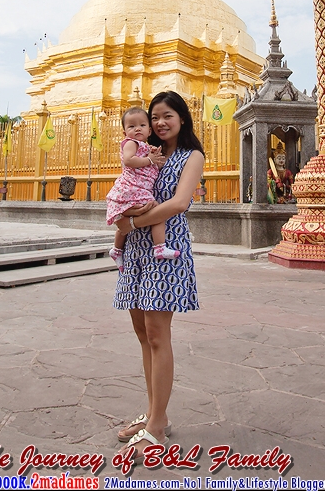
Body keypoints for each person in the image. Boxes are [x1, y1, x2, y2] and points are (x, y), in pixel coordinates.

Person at [112, 91, 205, 464]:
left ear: (182, 118)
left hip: (165, 250)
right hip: (136, 251)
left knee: (156, 334)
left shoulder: (191, 156)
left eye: (167, 115)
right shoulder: (146, 152)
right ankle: (155, 412)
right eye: (155, 117)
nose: (160, 123)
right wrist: (124, 220)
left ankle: (157, 428)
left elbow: (179, 203)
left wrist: (132, 223)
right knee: (141, 334)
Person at [106, 107, 180, 269]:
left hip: (138, 190)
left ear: (149, 130)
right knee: (158, 212)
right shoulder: (131, 143)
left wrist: (155, 159)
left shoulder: (145, 147)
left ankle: (116, 250)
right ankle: (159, 247)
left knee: (124, 219)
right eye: (132, 126)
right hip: (132, 189)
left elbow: (151, 166)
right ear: (125, 132)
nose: (137, 129)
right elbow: (128, 160)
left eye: (142, 125)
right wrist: (149, 159)